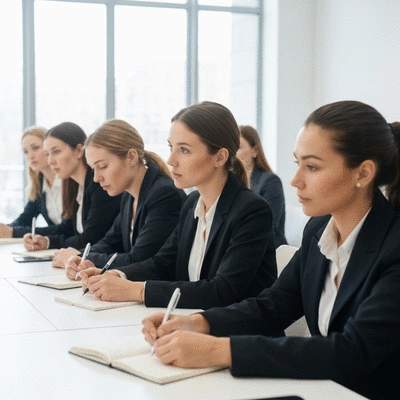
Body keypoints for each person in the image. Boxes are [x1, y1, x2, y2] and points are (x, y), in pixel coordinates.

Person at [142, 101, 400, 400]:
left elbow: (351, 351)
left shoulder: (393, 246)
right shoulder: (318, 231)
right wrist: (198, 322)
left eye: (312, 167)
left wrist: (220, 350)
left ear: (364, 173)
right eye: (298, 163)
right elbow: (274, 305)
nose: (295, 180)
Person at [80, 101, 277, 310]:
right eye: (171, 147)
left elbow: (223, 291)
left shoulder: (251, 210)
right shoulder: (193, 203)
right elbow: (163, 263)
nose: (171, 160)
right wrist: (116, 275)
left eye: (184, 150)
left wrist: (135, 290)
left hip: (235, 337)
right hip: (189, 325)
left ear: (219, 157)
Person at [62, 119, 186, 274]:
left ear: (131, 157)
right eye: (93, 169)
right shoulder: (129, 196)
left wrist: (85, 257)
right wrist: (81, 258)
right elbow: (110, 242)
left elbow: (138, 258)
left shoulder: (164, 195)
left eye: (102, 167)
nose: (96, 178)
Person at [23, 122, 122, 259]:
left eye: (56, 152)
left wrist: (54, 244)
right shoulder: (75, 186)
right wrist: (46, 241)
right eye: (47, 154)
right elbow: (68, 228)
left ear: (79, 151)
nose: (50, 161)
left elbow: (90, 238)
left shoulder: (99, 186)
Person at [0, 126, 62, 238]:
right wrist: (5, 229)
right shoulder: (39, 184)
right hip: (57, 247)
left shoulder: (69, 182)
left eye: (36, 148)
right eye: (26, 151)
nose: (30, 156)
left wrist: (13, 232)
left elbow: (67, 228)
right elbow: (24, 220)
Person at [237, 125, 287, 247]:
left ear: (255, 151)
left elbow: (268, 223)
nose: (234, 153)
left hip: (269, 249)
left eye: (239, 147)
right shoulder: (234, 182)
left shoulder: (271, 182)